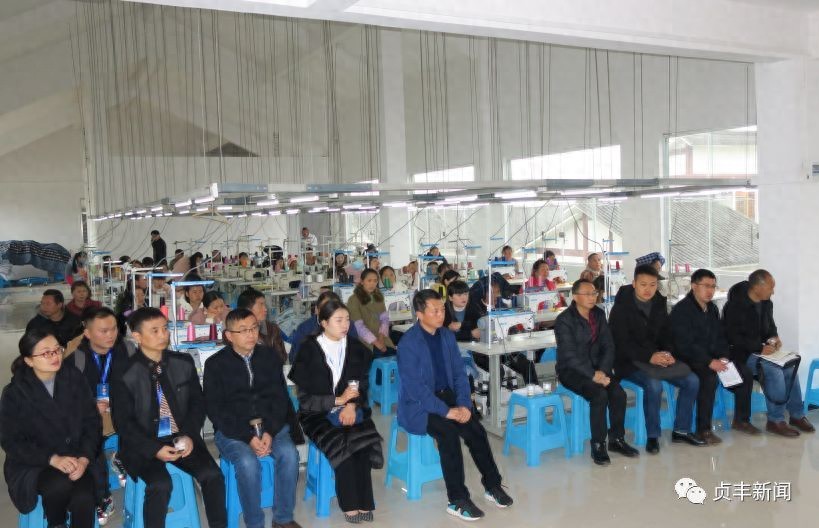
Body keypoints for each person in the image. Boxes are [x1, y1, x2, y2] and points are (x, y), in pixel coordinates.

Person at [398, 290, 512, 521]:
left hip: (447, 396)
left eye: (442, 310)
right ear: (419, 314)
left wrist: (464, 405)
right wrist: (447, 411)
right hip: (419, 405)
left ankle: (492, 485)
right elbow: (415, 389)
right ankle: (457, 500)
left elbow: (460, 374)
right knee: (448, 434)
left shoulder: (446, 337)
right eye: (435, 311)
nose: (441, 315)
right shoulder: (408, 343)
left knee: (476, 430)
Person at [111, 308, 227, 528]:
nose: (163, 334)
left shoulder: (183, 362)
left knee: (213, 476)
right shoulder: (124, 372)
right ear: (137, 336)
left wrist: (189, 435)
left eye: (165, 328)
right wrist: (153, 449)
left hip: (181, 437)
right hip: (143, 444)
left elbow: (197, 403)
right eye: (154, 330)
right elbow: (123, 422)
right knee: (160, 484)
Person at [204, 308, 303, 528]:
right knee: (248, 463)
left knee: (289, 455)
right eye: (243, 330)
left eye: (254, 328)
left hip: (270, 425)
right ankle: (254, 523)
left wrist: (270, 431)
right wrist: (247, 437)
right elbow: (216, 410)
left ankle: (283, 519)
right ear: (229, 336)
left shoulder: (269, 357)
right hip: (233, 431)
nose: (251, 334)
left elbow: (280, 399)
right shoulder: (215, 365)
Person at [288, 300, 382, 524]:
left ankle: (364, 502)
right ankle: (349, 505)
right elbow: (305, 400)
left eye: (347, 319)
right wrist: (337, 401)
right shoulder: (309, 350)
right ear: (323, 322)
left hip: (351, 409)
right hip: (316, 414)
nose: (345, 325)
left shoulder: (355, 348)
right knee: (343, 446)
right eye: (338, 320)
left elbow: (361, 384)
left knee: (362, 444)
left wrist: (351, 405)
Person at [1, 329, 100, 528]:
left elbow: (92, 422)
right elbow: (10, 441)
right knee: (58, 485)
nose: (55, 356)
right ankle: (57, 524)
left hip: (75, 456)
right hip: (35, 462)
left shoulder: (75, 379)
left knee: (83, 498)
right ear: (29, 360)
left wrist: (84, 458)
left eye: (57, 350)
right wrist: (53, 459)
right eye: (46, 353)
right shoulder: (15, 393)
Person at [608, 265, 704, 454]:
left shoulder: (659, 303)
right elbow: (621, 344)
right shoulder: (621, 309)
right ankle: (653, 435)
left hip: (656, 359)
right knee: (654, 385)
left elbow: (667, 334)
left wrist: (667, 353)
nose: (648, 289)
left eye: (653, 285)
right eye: (643, 284)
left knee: (692, 380)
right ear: (634, 284)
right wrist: (649, 356)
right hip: (629, 362)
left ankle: (681, 430)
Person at [555, 279, 639, 465]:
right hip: (572, 371)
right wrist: (593, 375)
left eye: (594, 293)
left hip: (599, 369)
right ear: (575, 297)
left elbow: (608, 345)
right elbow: (569, 356)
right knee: (599, 395)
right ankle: (598, 445)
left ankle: (617, 439)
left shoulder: (599, 315)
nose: (592, 297)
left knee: (618, 394)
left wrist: (602, 371)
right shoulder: (564, 320)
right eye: (587, 294)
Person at [723, 269, 814, 437]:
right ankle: (775, 420)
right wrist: (759, 348)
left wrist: (774, 338)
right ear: (757, 287)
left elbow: (770, 327)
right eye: (771, 287)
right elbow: (733, 337)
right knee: (774, 371)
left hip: (760, 351)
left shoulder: (766, 303)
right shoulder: (735, 306)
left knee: (790, 367)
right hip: (740, 354)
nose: (773, 292)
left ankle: (796, 415)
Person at [670, 269, 754, 444]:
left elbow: (720, 337)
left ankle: (741, 420)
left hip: (710, 357)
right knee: (708, 378)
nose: (710, 291)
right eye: (706, 286)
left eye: (713, 287)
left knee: (744, 372)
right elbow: (684, 345)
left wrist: (723, 356)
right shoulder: (682, 310)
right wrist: (709, 361)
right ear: (694, 286)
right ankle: (704, 429)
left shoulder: (712, 309)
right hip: (687, 358)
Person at [70, 307, 134, 525]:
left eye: (114, 329)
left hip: (121, 410)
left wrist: (118, 400)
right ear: (87, 333)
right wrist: (89, 406)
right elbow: (68, 397)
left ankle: (122, 456)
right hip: (92, 414)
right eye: (103, 331)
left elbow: (139, 384)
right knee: (90, 442)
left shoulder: (128, 349)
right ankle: (102, 496)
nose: (111, 335)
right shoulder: (76, 358)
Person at [346, 268, 395, 357]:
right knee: (381, 358)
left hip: (382, 338)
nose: (372, 284)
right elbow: (359, 327)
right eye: (369, 281)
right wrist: (377, 343)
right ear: (362, 282)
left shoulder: (378, 297)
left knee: (395, 356)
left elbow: (384, 319)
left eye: (375, 281)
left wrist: (381, 337)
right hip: (365, 342)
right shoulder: (353, 300)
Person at [237, 288, 288, 364]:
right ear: (247, 310)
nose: (265, 309)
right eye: (261, 305)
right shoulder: (235, 331)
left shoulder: (272, 329)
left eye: (264, 305)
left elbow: (281, 357)